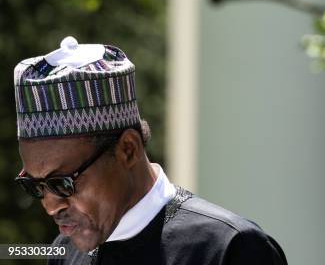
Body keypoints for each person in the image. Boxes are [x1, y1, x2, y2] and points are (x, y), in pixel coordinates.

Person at [13, 37, 288, 265]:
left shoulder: (229, 249)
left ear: (127, 150)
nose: (50, 206)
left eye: (63, 183)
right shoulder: (66, 253)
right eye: (35, 185)